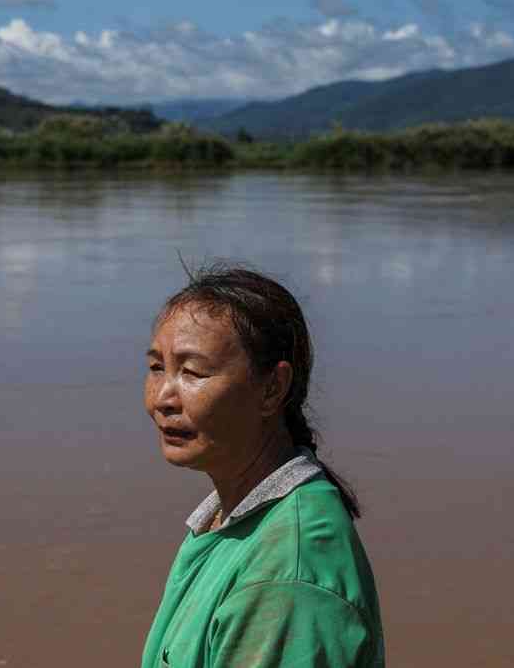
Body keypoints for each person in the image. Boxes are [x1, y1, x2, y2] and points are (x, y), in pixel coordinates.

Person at [141, 264, 385, 668]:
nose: (163, 397)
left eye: (192, 371)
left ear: (272, 388)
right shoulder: (227, 519)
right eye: (156, 367)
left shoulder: (288, 574)